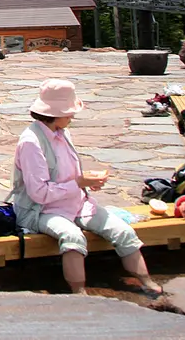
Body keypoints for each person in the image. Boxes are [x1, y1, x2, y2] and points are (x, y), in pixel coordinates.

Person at [12, 79, 162, 295]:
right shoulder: (31, 142)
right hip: (40, 210)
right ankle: (79, 292)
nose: (72, 116)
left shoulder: (62, 132)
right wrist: (79, 183)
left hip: (76, 203)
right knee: (73, 237)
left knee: (122, 230)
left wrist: (87, 182)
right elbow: (39, 193)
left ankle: (146, 281)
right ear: (55, 113)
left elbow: (69, 176)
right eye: (69, 112)